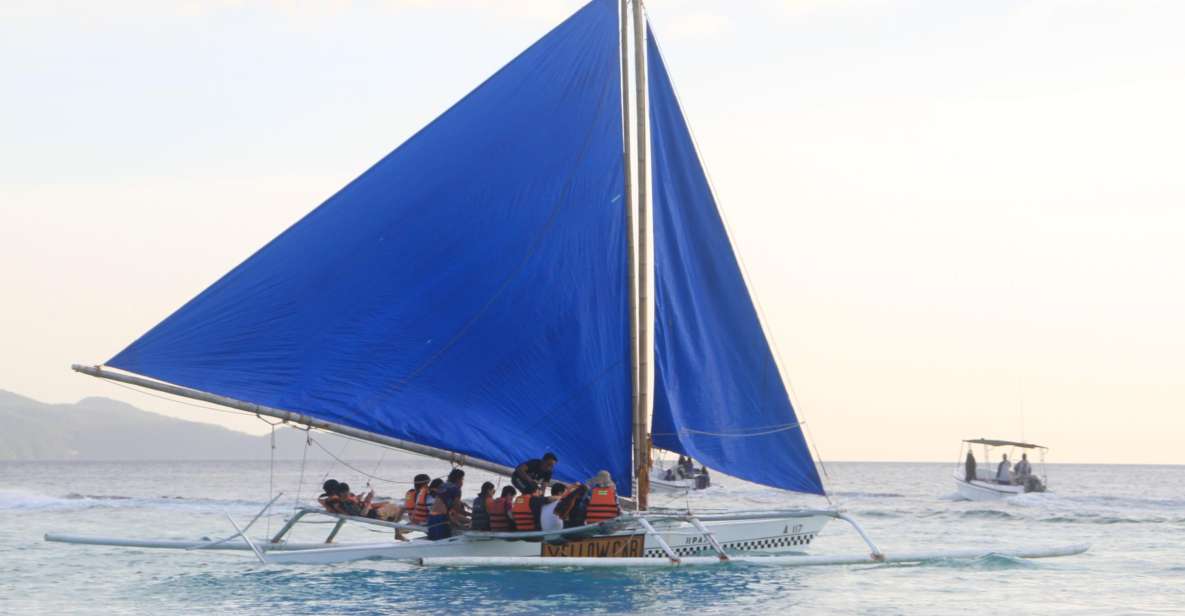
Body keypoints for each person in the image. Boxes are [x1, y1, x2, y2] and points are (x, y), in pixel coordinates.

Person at [427, 469, 468, 540]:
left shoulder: (443, 486)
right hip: (441, 519)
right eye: (462, 479)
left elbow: (450, 508)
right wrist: (473, 515)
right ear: (459, 479)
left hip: (431, 518)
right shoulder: (456, 489)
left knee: (435, 541)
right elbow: (457, 509)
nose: (462, 482)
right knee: (442, 541)